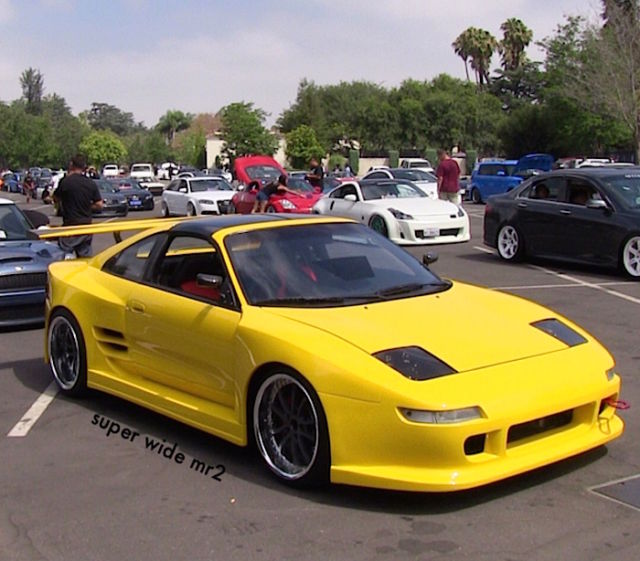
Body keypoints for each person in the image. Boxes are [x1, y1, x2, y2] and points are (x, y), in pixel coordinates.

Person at [53, 154, 104, 257]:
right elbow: (99, 205)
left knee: (64, 256)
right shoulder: (90, 183)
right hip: (86, 227)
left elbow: (55, 198)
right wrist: (87, 206)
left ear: (72, 164)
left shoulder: (66, 182)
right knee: (85, 258)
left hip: (70, 227)